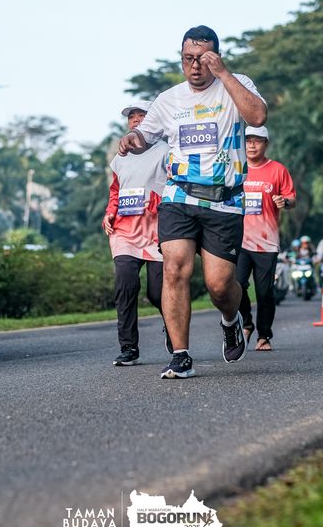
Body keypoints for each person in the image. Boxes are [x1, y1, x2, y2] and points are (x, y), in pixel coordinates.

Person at [119, 25, 267, 378]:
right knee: (174, 269)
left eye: (203, 58)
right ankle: (181, 355)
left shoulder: (236, 84)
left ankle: (231, 319)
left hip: (224, 201)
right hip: (179, 195)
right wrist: (133, 138)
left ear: (216, 57)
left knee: (219, 285)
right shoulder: (169, 99)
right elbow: (145, 135)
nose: (195, 66)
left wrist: (224, 74)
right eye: (188, 59)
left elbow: (258, 117)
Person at [102, 100, 169, 366]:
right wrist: (110, 212)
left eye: (142, 115)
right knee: (125, 286)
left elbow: (177, 185)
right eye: (132, 117)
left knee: (157, 293)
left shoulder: (166, 151)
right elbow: (116, 191)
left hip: (158, 231)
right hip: (125, 232)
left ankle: (173, 327)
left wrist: (157, 201)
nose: (136, 120)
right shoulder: (120, 158)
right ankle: (128, 348)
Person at [236, 126, 296, 351]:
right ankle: (247, 323)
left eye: (257, 141)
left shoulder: (277, 170)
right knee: (236, 285)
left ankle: (264, 336)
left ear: (266, 144)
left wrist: (285, 202)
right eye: (248, 140)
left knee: (264, 292)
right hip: (238, 241)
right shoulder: (235, 168)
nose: (252, 145)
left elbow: (291, 198)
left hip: (266, 242)